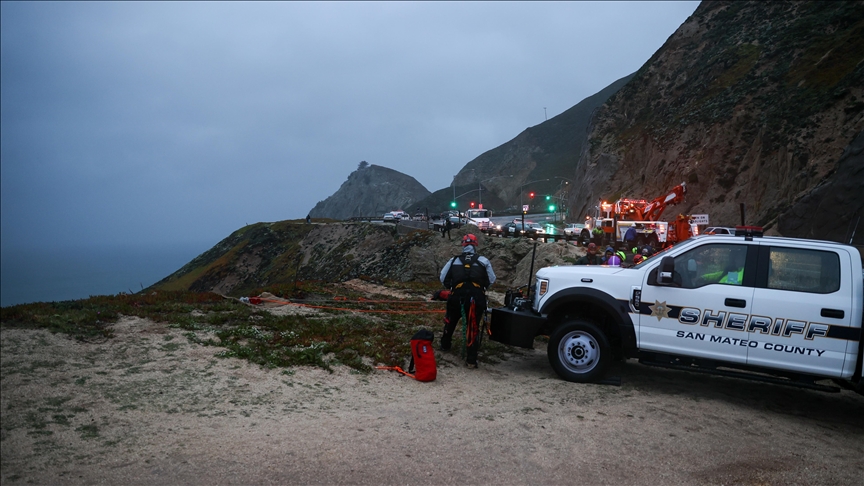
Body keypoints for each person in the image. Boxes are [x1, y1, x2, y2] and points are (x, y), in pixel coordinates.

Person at [439, 234, 496, 368]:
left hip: (457, 295)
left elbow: (443, 277)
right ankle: (471, 359)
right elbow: (492, 279)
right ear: (475, 245)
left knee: (450, 320)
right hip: (476, 297)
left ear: (463, 245)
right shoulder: (483, 260)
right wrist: (482, 288)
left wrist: (451, 287)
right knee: (473, 325)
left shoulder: (453, 260)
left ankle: (445, 345)